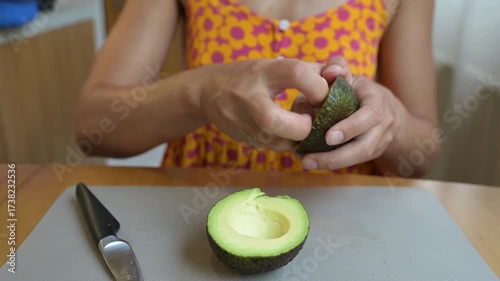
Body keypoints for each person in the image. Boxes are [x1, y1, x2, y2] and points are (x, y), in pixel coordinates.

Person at [75, 0, 439, 178]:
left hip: (343, 225)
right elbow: (93, 128)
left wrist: (390, 118)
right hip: (194, 215)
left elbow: (424, 154)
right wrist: (201, 92)